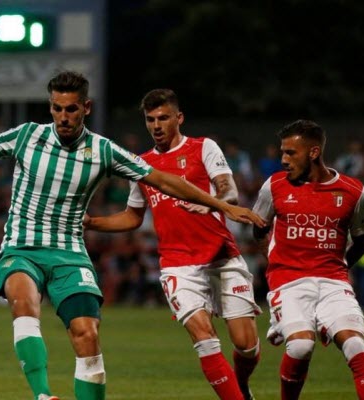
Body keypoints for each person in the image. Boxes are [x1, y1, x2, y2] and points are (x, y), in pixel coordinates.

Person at [0, 72, 264, 400]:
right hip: (22, 247)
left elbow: (162, 180)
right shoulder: (27, 137)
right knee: (24, 301)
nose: (63, 117)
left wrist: (222, 205)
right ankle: (43, 395)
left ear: (85, 108)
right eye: (56, 108)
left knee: (87, 335)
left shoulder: (104, 151)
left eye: (71, 109)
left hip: (70, 253)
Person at [85, 89, 262, 400]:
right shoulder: (142, 165)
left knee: (245, 345)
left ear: (179, 118)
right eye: (150, 119)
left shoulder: (203, 147)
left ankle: (241, 384)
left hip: (221, 257)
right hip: (178, 265)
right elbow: (132, 217)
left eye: (163, 118)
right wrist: (90, 222)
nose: (156, 125)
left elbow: (229, 189)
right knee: (204, 338)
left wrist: (213, 203)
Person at [252, 120, 364, 400]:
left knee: (356, 346)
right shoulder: (274, 185)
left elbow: (362, 239)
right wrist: (276, 261)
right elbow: (259, 227)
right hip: (288, 281)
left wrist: (341, 267)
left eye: (291, 153)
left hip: (333, 282)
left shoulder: (353, 191)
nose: (283, 159)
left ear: (314, 152)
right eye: (283, 152)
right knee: (301, 347)